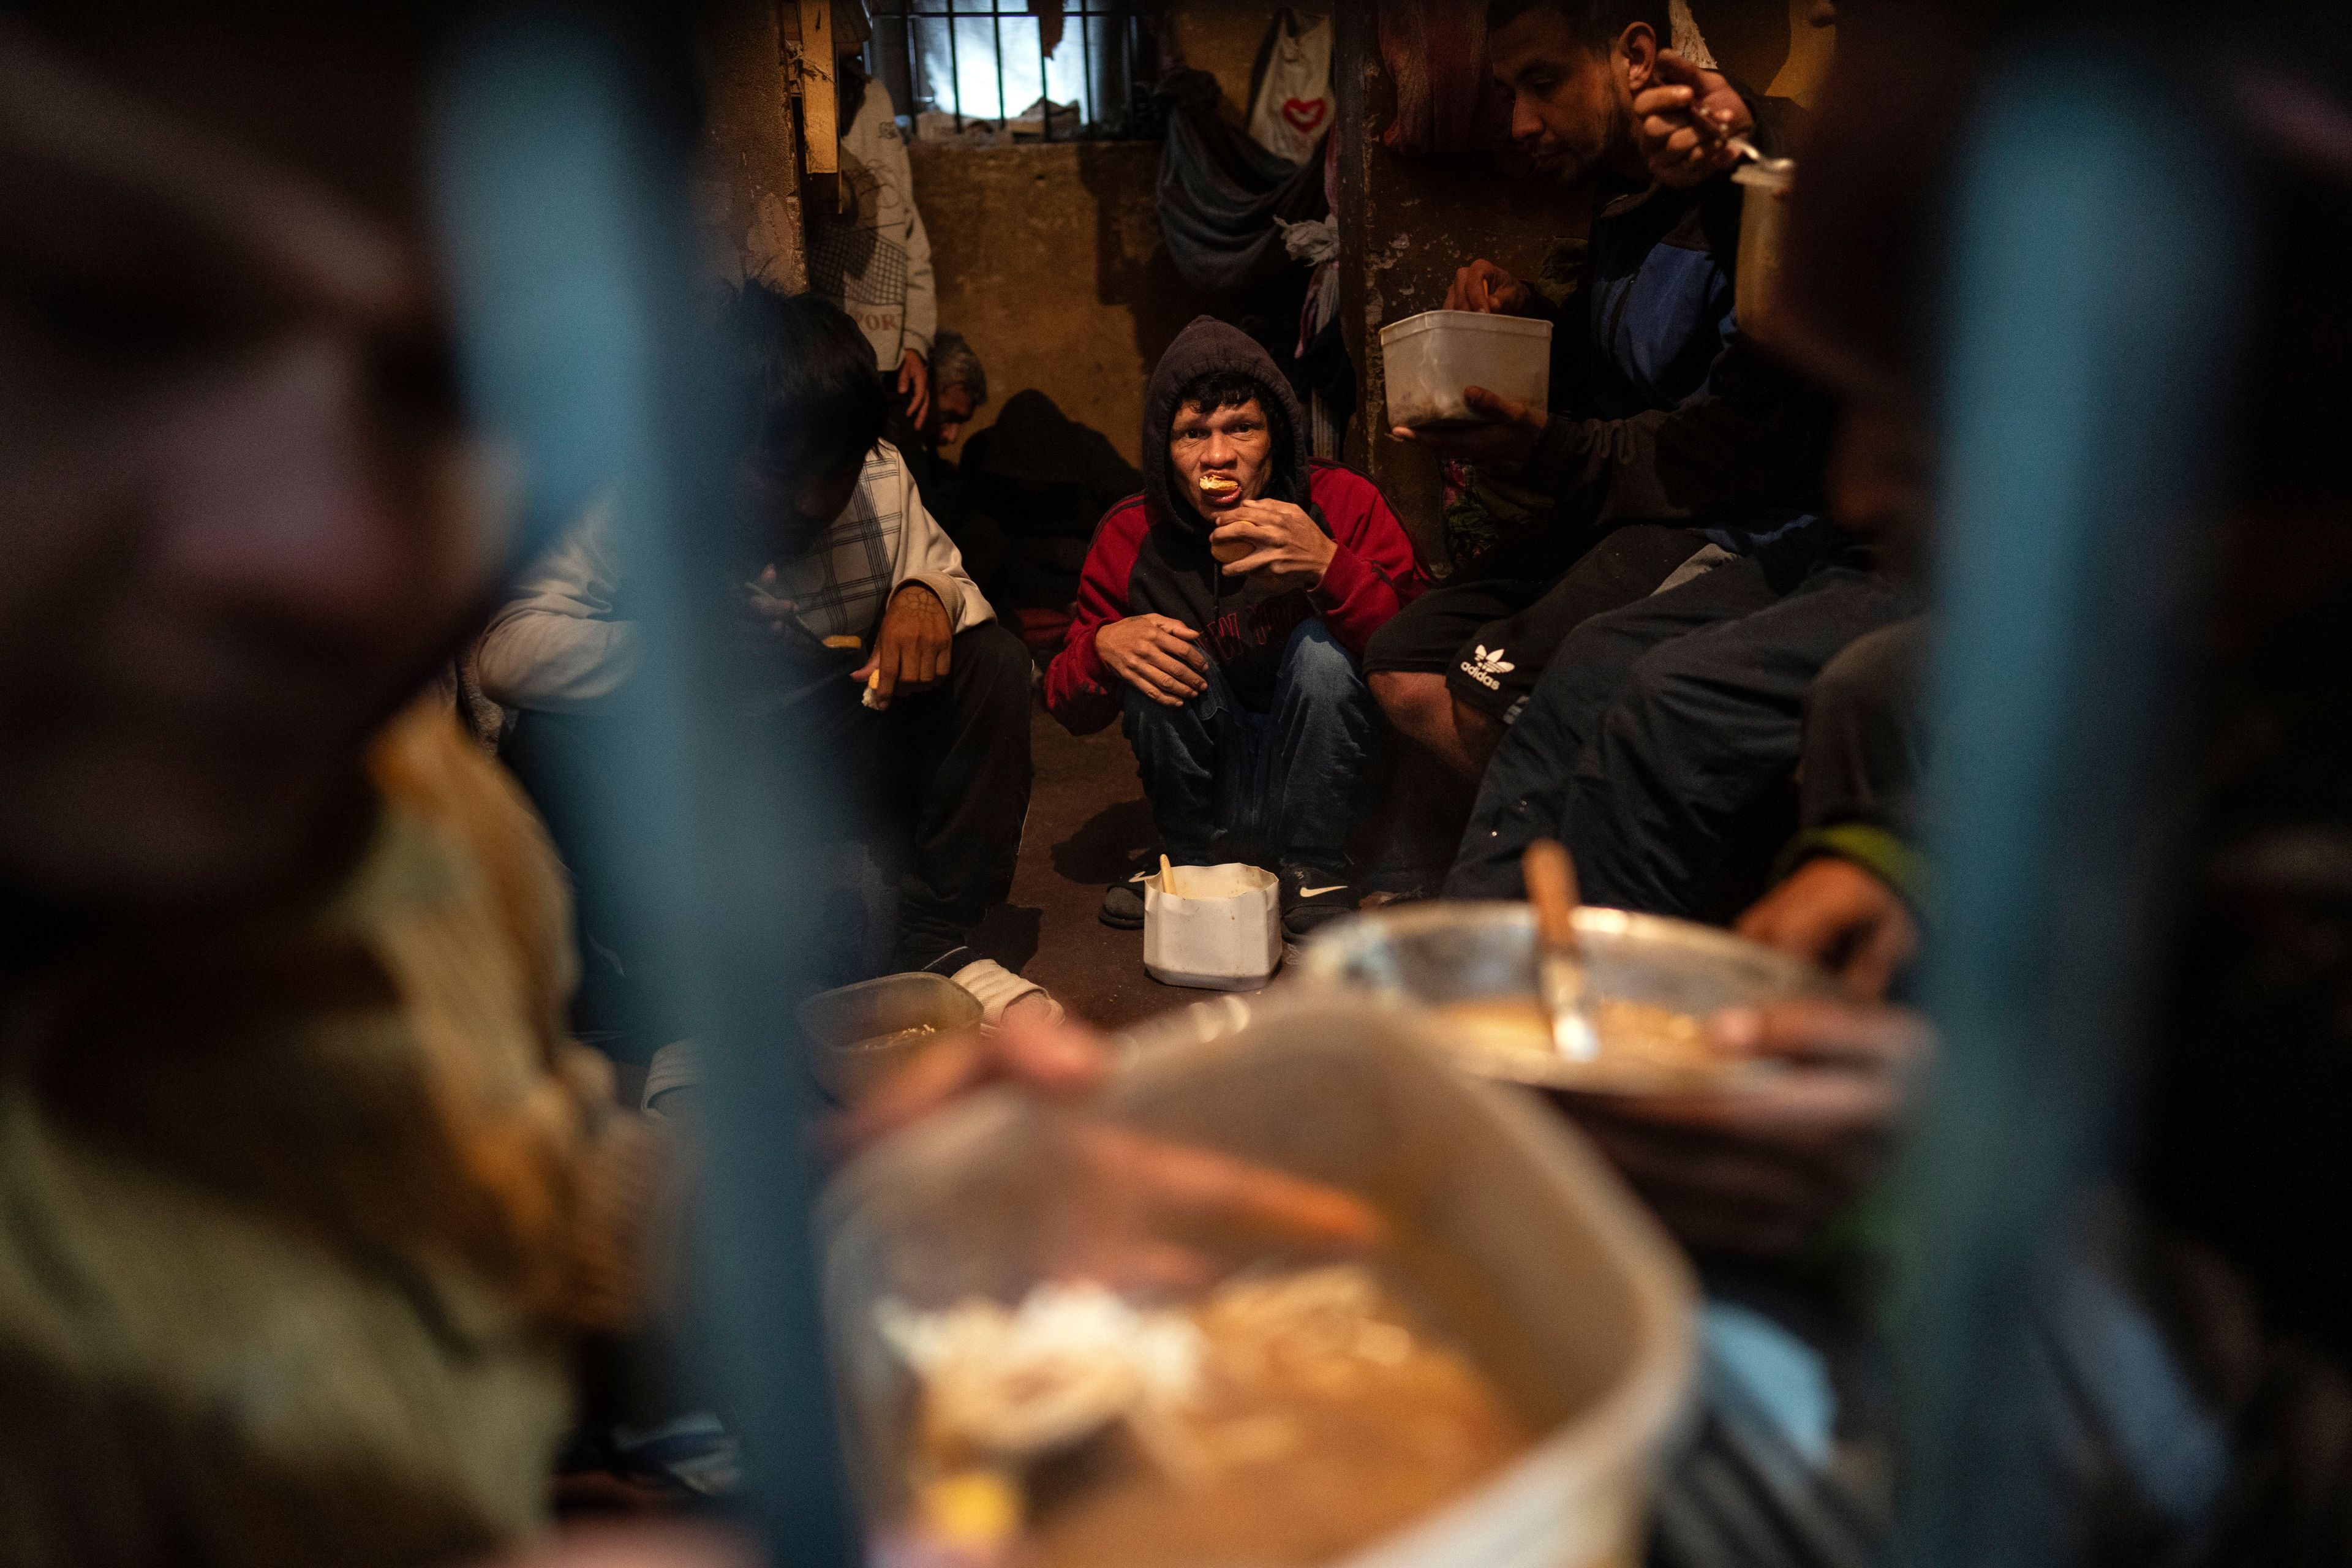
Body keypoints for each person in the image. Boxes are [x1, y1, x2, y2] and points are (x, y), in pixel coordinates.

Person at [473, 289, 1044, 1020]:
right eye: (779, 474)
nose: (812, 502)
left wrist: (927, 594)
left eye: (833, 473)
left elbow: (952, 578)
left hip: (832, 744)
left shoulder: (880, 480)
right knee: (551, 736)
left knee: (991, 661)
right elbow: (506, 654)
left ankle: (928, 940)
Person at [1363, 0, 1831, 791]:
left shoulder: (1750, 183)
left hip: (1727, 516)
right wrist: (1529, 324)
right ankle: (1563, 848)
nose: (1518, 123)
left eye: (1542, 84)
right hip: (1629, 501)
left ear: (1637, 56)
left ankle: (1582, 875)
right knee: (1400, 665)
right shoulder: (1621, 193)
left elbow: (1735, 446)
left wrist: (1547, 451)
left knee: (1488, 694)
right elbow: (1614, 382)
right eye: (1511, 92)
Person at [1044, 317, 1426, 938]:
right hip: (1213, 788)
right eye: (1193, 434)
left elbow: (1420, 655)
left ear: (1275, 435)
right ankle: (1190, 858)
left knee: (1322, 653)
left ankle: (1316, 867)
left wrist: (1328, 566)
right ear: (1162, 452)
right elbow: (1066, 700)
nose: (1217, 456)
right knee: (1154, 647)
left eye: (1241, 428)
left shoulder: (1342, 501)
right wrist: (1101, 646)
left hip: (1332, 787)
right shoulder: (1128, 534)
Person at [810, 27, 937, 431]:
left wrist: (915, 341)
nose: (875, 12)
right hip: (824, 356)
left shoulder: (875, 97)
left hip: (888, 360)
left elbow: (908, 228)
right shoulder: (797, 97)